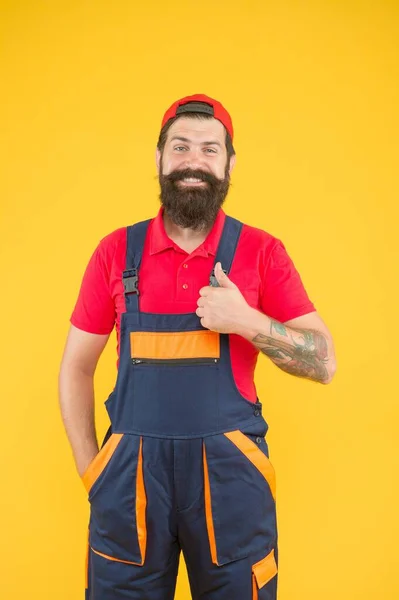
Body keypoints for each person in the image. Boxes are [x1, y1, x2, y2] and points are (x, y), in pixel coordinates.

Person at [58, 93, 337, 600]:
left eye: (210, 149)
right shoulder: (116, 252)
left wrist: (247, 320)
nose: (193, 161)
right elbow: (76, 368)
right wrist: (93, 473)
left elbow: (324, 361)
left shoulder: (261, 252)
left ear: (230, 162)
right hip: (129, 489)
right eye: (180, 147)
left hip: (232, 487)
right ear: (159, 157)